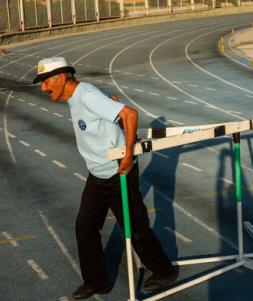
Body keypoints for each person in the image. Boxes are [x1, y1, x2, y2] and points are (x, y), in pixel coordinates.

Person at [34, 57, 177, 299]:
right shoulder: (75, 97)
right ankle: (96, 282)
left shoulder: (86, 94)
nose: (43, 88)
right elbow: (113, 113)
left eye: (46, 81)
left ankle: (164, 271)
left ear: (60, 77)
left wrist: (128, 155)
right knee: (85, 228)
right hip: (97, 174)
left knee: (135, 228)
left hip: (117, 172)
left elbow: (130, 114)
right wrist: (112, 107)